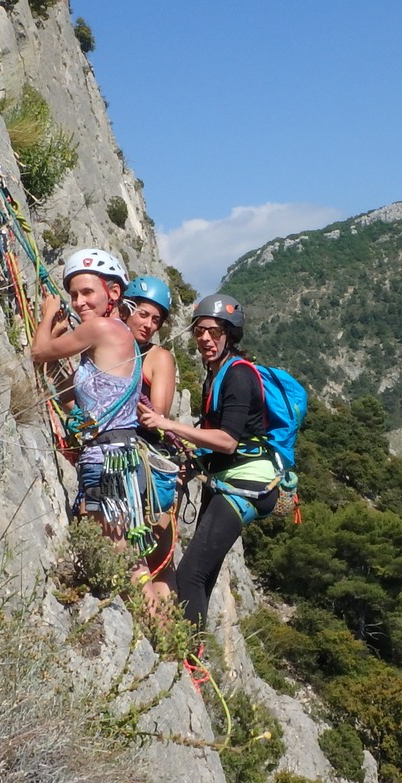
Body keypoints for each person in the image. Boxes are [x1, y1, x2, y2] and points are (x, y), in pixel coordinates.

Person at [137, 294, 280, 634]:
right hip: (226, 477)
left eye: (215, 332)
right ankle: (193, 646)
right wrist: (194, 463)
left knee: (191, 574)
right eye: (199, 331)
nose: (205, 339)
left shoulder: (238, 376)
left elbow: (228, 440)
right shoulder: (214, 374)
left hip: (247, 484)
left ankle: (188, 653)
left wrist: (168, 424)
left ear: (230, 334)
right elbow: (221, 439)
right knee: (204, 574)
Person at [30, 248, 138, 538]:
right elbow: (67, 398)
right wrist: (56, 334)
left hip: (107, 460)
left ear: (113, 292)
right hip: (111, 456)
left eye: (88, 292)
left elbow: (38, 352)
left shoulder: (101, 328)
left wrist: (48, 313)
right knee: (115, 545)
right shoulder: (117, 333)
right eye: (74, 295)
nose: (79, 302)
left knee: (111, 546)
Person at [119, 275, 180, 608]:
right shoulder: (114, 346)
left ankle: (164, 627)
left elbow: (158, 413)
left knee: (155, 561)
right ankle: (161, 626)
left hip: (150, 461)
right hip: (125, 455)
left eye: (156, 319)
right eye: (143, 314)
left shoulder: (159, 357)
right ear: (126, 309)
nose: (149, 325)